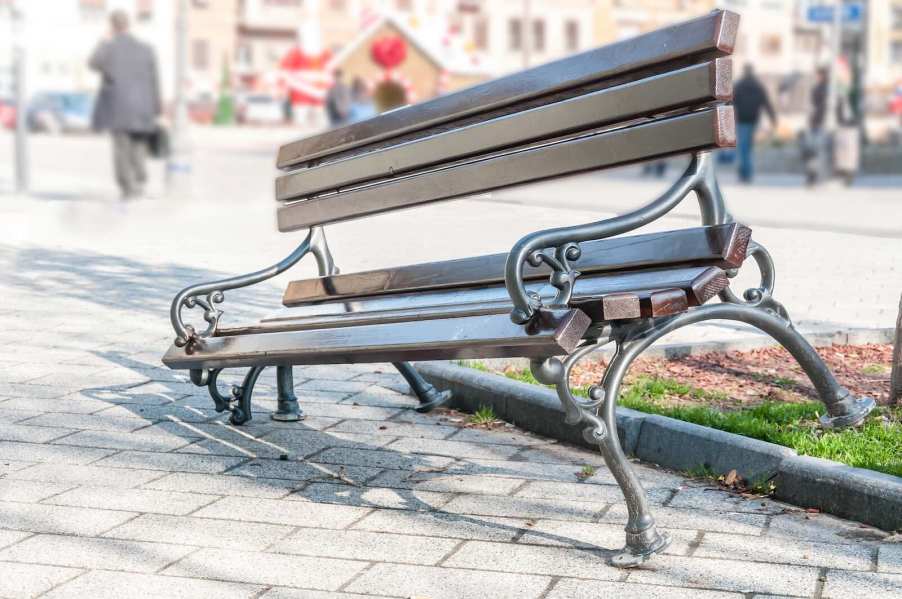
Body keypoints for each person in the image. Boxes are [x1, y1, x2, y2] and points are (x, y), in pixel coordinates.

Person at [89, 10, 161, 200]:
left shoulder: (109, 47)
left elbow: (93, 63)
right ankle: (140, 180)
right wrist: (157, 108)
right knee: (138, 145)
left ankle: (127, 187)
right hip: (143, 108)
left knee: (121, 148)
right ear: (128, 25)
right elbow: (155, 80)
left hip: (118, 108)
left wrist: (103, 40)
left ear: (112, 26)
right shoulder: (146, 49)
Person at [733, 64, 777, 183]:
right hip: (753, 120)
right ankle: (747, 173)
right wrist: (773, 119)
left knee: (743, 148)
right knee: (749, 148)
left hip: (742, 120)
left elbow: (731, 103)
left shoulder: (739, 86)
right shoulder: (758, 87)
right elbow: (766, 103)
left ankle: (744, 173)